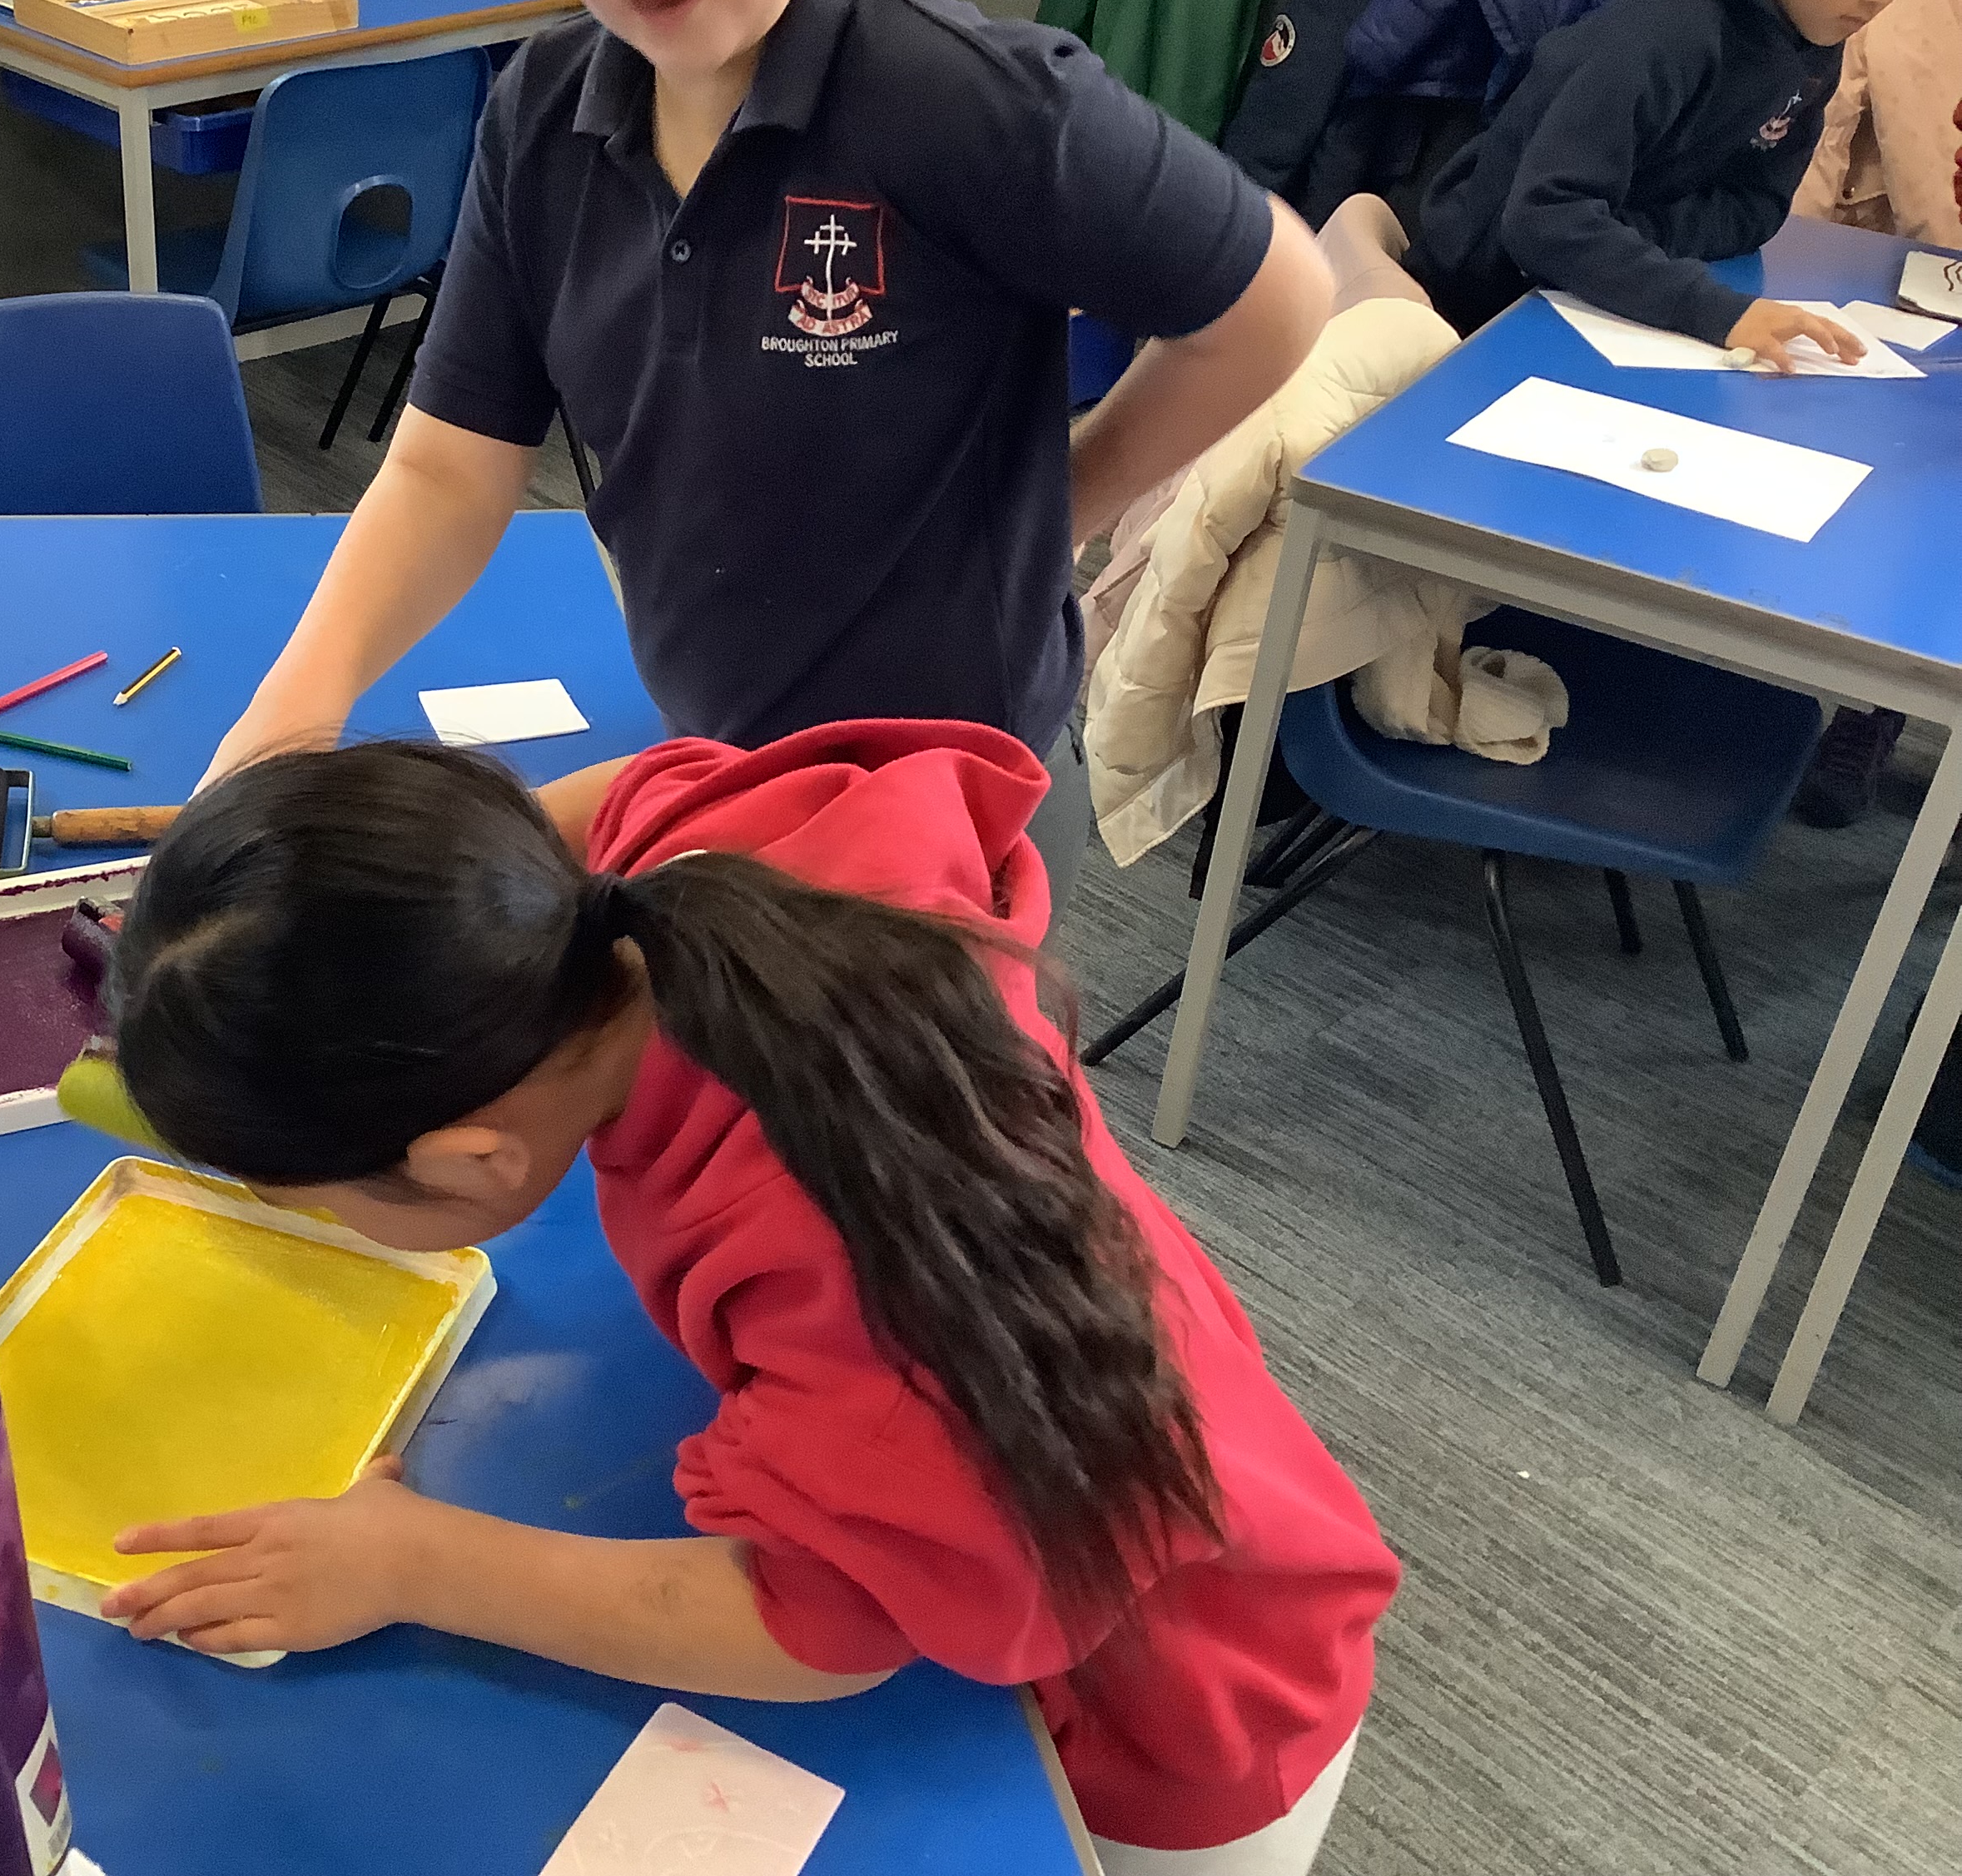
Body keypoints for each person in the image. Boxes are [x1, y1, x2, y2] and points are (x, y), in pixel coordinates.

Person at [101, 721, 1400, 1874]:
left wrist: (417, 1563)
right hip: (1200, 1475)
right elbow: (615, 789)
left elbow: (815, 1627)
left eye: (319, 1200)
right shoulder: (681, 867)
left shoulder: (856, 1262)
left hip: (1176, 1708)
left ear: (468, 1161)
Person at [202, 0, 1334, 927]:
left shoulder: (972, 101)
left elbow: (1276, 298)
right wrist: (293, 710)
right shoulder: (541, 117)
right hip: (720, 760)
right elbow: (449, 470)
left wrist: (1056, 509)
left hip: (936, 812)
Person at [1402, 0, 1960, 370]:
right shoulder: (1663, 33)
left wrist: (1627, 236)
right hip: (1471, 315)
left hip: (1597, 297)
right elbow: (1543, 219)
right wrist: (1711, 309)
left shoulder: (1815, 36)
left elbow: (1757, 208)